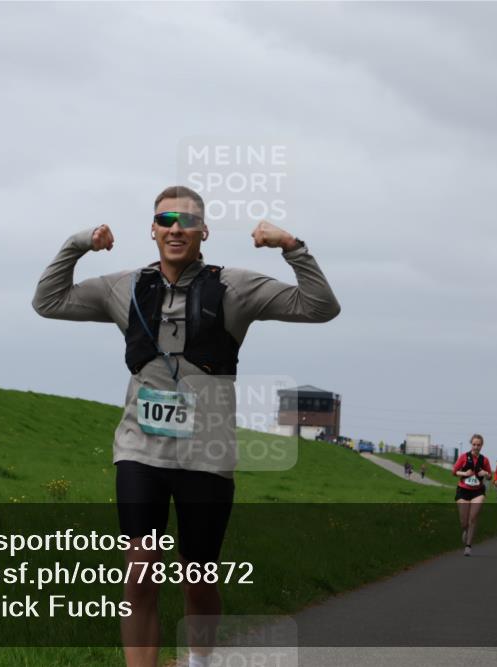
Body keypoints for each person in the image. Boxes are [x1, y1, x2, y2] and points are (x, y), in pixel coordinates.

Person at [33, 185, 340, 667]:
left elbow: (321, 307)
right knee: (139, 572)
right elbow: (47, 301)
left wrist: (290, 246)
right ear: (153, 230)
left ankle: (199, 659)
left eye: (188, 221)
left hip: (207, 456)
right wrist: (78, 244)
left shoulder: (235, 287)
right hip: (140, 451)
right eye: (166, 219)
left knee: (198, 577)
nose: (177, 228)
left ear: (204, 232)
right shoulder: (125, 286)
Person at [452, 434, 492, 556]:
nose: (476, 447)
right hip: (463, 490)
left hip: (478, 491)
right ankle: (465, 530)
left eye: (478, 445)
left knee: (473, 518)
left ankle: (468, 546)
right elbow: (454, 472)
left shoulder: (484, 460)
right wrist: (465, 473)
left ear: (481, 446)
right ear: (471, 444)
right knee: (464, 521)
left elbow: (490, 476)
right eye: (474, 444)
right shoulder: (464, 457)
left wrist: (485, 473)